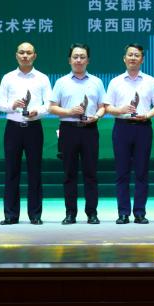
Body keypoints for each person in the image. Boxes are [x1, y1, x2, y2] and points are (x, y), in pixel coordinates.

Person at [104, 44, 154, 224]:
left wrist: (147, 115)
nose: (133, 58)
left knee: (142, 172)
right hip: (122, 128)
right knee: (121, 172)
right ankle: (123, 213)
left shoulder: (150, 81)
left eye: (137, 55)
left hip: (143, 127)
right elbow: (107, 107)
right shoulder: (115, 82)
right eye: (130, 55)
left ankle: (139, 212)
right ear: (124, 58)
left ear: (142, 59)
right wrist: (120, 110)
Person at [48, 43, 107, 225]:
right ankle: (70, 213)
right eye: (75, 57)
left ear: (88, 60)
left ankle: (92, 213)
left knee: (91, 173)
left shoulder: (96, 82)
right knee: (69, 173)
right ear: (69, 60)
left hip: (90, 129)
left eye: (82, 57)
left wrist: (96, 116)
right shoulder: (61, 82)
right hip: (68, 130)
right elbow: (52, 107)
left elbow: (102, 107)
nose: (79, 60)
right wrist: (69, 111)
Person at [0, 42, 53, 225]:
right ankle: (10, 215)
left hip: (34, 127)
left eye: (29, 53)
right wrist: (11, 106)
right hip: (13, 127)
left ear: (35, 56)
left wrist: (38, 111)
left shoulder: (42, 78)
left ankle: (35, 215)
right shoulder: (8, 77)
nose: (25, 56)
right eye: (22, 52)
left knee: (35, 171)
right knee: (11, 171)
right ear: (16, 55)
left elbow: (49, 104)